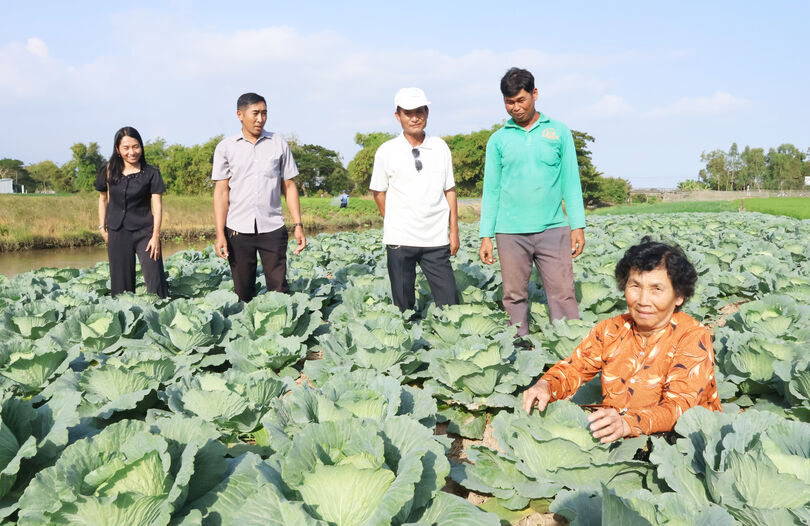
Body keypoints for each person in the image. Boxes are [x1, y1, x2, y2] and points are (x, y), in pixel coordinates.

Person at [522, 237, 722, 443]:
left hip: (681, 443)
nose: (643, 300)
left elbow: (679, 407)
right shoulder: (611, 329)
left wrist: (628, 423)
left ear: (679, 296)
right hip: (618, 432)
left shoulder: (692, 336)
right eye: (635, 286)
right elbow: (574, 369)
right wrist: (546, 385)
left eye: (657, 289)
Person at [479, 67, 586, 336]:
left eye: (521, 100)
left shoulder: (559, 132)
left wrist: (578, 226)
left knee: (563, 293)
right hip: (510, 231)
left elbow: (571, 182)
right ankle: (519, 352)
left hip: (553, 228)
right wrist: (485, 235)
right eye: (509, 102)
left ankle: (569, 351)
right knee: (513, 296)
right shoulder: (498, 140)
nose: (515, 108)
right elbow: (491, 190)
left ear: (535, 94)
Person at [370, 87, 459, 312]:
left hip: (436, 238)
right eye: (408, 112)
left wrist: (454, 231)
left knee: (450, 303)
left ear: (427, 112)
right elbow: (379, 192)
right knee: (403, 306)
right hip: (400, 239)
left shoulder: (440, 147)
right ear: (397, 116)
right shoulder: (386, 150)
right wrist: (393, 220)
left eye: (419, 111)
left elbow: (450, 190)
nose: (414, 117)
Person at [212, 92, 306, 302]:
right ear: (240, 115)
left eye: (264, 113)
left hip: (272, 227)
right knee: (243, 291)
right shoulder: (226, 148)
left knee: (279, 289)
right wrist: (220, 233)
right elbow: (221, 192)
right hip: (238, 228)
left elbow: (289, 186)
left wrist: (298, 224)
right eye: (255, 113)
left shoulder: (278, 143)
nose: (260, 119)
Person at [95, 126, 168, 298]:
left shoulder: (151, 173)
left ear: (141, 147)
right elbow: (102, 199)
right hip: (117, 231)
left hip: (145, 232)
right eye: (126, 148)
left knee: (155, 280)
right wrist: (101, 227)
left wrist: (155, 235)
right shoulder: (108, 170)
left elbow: (157, 205)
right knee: (121, 285)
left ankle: (158, 315)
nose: (132, 152)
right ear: (117, 149)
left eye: (136, 147)